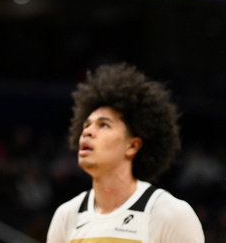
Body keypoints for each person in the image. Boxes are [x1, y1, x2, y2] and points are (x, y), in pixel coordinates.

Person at [46, 63, 205, 243]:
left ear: (132, 146)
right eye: (86, 125)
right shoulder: (66, 215)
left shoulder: (171, 214)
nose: (87, 132)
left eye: (104, 125)